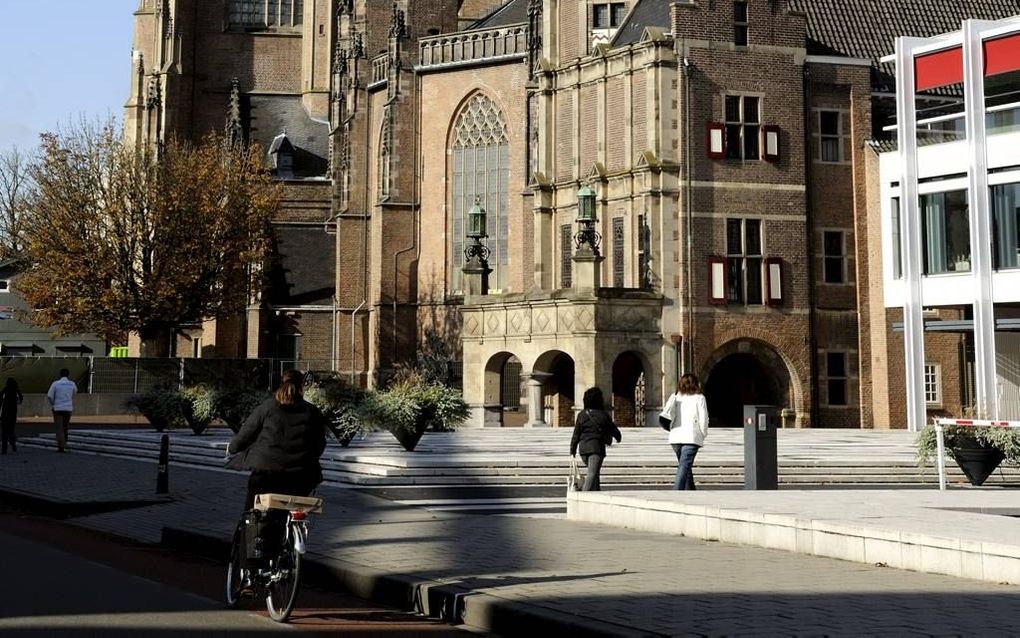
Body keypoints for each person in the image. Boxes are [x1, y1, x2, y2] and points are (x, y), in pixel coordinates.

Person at [227, 369, 328, 512]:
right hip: (302, 475)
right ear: (302, 387)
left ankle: (251, 530)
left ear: (281, 384)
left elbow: (246, 434)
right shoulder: (312, 411)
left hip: (268, 472)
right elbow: (320, 444)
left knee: (252, 510)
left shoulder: (267, 407)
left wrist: (232, 448)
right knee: (297, 504)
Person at [660, 373, 709, 490]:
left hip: (675, 437)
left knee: (685, 465)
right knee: (684, 466)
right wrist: (703, 434)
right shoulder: (700, 398)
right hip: (691, 437)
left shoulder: (675, 396)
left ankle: (690, 490)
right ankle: (677, 491)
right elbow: (703, 418)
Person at [569, 386, 622, 491]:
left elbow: (576, 434)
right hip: (596, 449)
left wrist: (572, 450)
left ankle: (596, 493)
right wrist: (618, 437)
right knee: (592, 474)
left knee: (595, 473)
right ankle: (583, 496)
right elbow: (614, 431)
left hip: (583, 450)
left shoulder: (581, 415)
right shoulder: (603, 415)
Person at [47, 368, 77, 453]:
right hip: (68, 408)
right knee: (65, 426)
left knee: (59, 428)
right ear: (68, 375)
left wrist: (53, 403)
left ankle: (61, 446)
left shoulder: (55, 384)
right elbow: (75, 392)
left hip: (58, 408)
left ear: (60, 375)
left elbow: (49, 395)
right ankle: (65, 442)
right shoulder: (72, 384)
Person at [0, 377, 22, 454]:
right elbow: (20, 401)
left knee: (4, 432)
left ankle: (4, 449)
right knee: (11, 430)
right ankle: (13, 444)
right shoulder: (16, 391)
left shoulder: (4, 390)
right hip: (12, 414)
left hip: (4, 414)